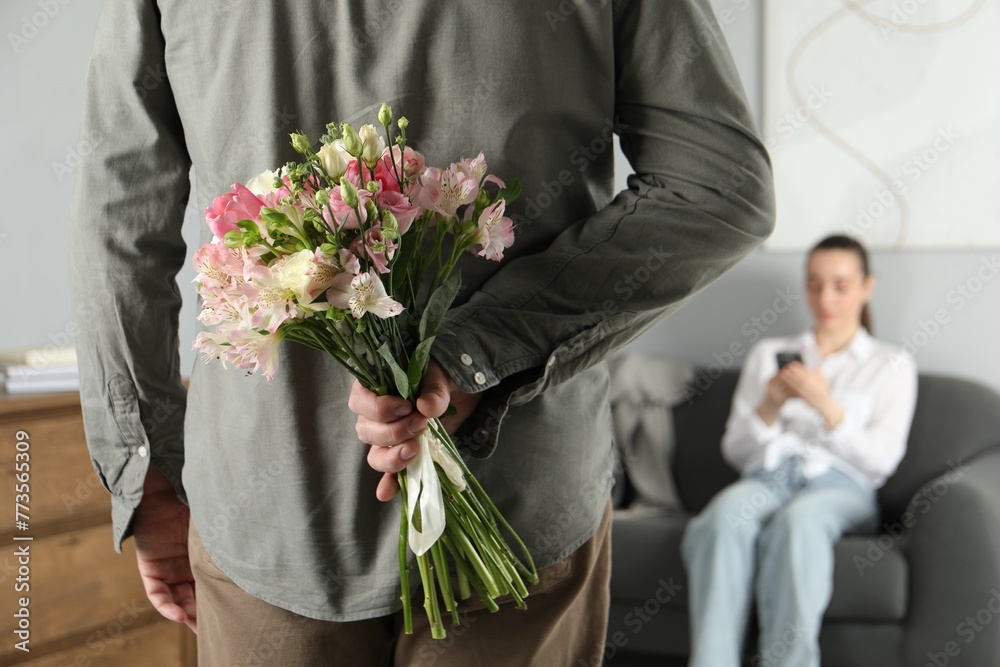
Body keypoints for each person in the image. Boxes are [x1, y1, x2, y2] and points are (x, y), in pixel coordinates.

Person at [67, 1, 774, 665]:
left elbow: (120, 222)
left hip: (273, 513)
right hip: (515, 508)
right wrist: (477, 353)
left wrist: (144, 477)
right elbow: (720, 187)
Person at [680, 234, 918, 667]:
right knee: (720, 519)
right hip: (768, 477)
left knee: (798, 524)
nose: (825, 297)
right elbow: (735, 450)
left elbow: (881, 461)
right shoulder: (768, 354)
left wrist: (827, 406)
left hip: (840, 489)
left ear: (867, 287)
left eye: (841, 285)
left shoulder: (892, 366)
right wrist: (770, 405)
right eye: (814, 283)